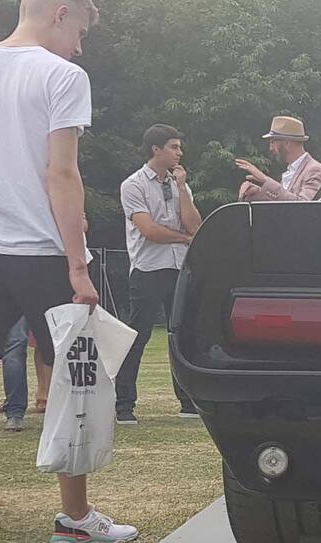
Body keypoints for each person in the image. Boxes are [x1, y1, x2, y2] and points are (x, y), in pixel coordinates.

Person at [0, 0, 137, 543]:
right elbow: (61, 174)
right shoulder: (63, 76)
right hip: (44, 252)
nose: (81, 46)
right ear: (61, 13)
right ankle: (75, 520)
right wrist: (78, 265)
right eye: (82, 32)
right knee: (75, 382)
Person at [115, 124, 202, 424]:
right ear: (156, 149)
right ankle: (124, 404)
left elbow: (194, 226)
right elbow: (149, 231)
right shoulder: (133, 185)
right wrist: (183, 238)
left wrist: (181, 189)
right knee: (138, 335)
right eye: (174, 147)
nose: (180, 153)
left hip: (179, 267)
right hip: (148, 269)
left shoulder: (181, 184)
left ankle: (188, 402)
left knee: (182, 335)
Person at [236, 116, 321, 202]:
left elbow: (304, 207)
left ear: (287, 143)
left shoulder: (315, 170)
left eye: (273, 142)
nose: (270, 148)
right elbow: (285, 202)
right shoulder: (293, 170)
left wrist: (265, 180)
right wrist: (258, 193)